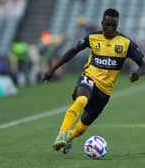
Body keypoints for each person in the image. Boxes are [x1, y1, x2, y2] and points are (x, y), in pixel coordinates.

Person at [42, 8, 145, 154]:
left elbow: (143, 64)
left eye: (113, 26)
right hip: (89, 77)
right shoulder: (92, 38)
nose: (109, 28)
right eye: (107, 25)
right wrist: (52, 69)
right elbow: (73, 51)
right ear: (102, 23)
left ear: (117, 25)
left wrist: (138, 74)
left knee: (82, 128)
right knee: (81, 100)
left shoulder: (126, 43)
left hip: (105, 91)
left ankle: (70, 137)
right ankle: (61, 135)